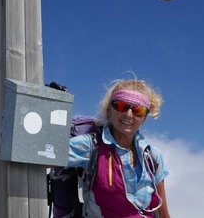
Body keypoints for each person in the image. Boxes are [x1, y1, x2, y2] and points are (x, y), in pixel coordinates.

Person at [68, 79, 170, 218]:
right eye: (121, 106)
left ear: (144, 118)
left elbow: (163, 213)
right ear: (109, 110)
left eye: (138, 110)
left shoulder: (153, 157)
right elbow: (44, 155)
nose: (128, 114)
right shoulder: (91, 146)